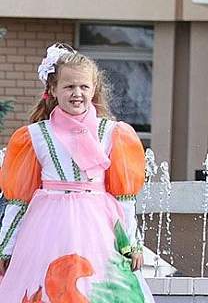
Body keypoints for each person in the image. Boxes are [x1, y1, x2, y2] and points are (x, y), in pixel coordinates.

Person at [0, 44, 152, 301]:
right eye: (69, 86)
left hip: (98, 227)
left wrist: (133, 244)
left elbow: (124, 200)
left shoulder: (113, 133)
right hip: (46, 227)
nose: (77, 93)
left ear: (94, 89)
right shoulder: (35, 136)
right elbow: (19, 201)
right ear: (52, 89)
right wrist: (6, 246)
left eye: (84, 86)